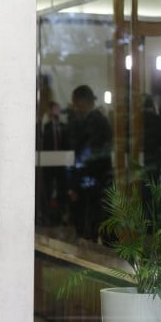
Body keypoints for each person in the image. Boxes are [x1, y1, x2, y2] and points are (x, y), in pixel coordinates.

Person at [66, 84, 113, 243]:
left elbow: (85, 155)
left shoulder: (93, 122)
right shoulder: (99, 121)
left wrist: (75, 182)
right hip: (98, 180)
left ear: (81, 102)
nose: (74, 108)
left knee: (91, 224)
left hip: (93, 181)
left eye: (75, 104)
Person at [36, 101, 69, 227]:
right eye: (54, 109)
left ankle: (61, 216)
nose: (56, 111)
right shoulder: (45, 128)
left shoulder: (64, 127)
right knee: (48, 190)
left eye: (58, 109)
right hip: (48, 165)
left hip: (61, 165)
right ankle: (48, 216)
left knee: (61, 191)